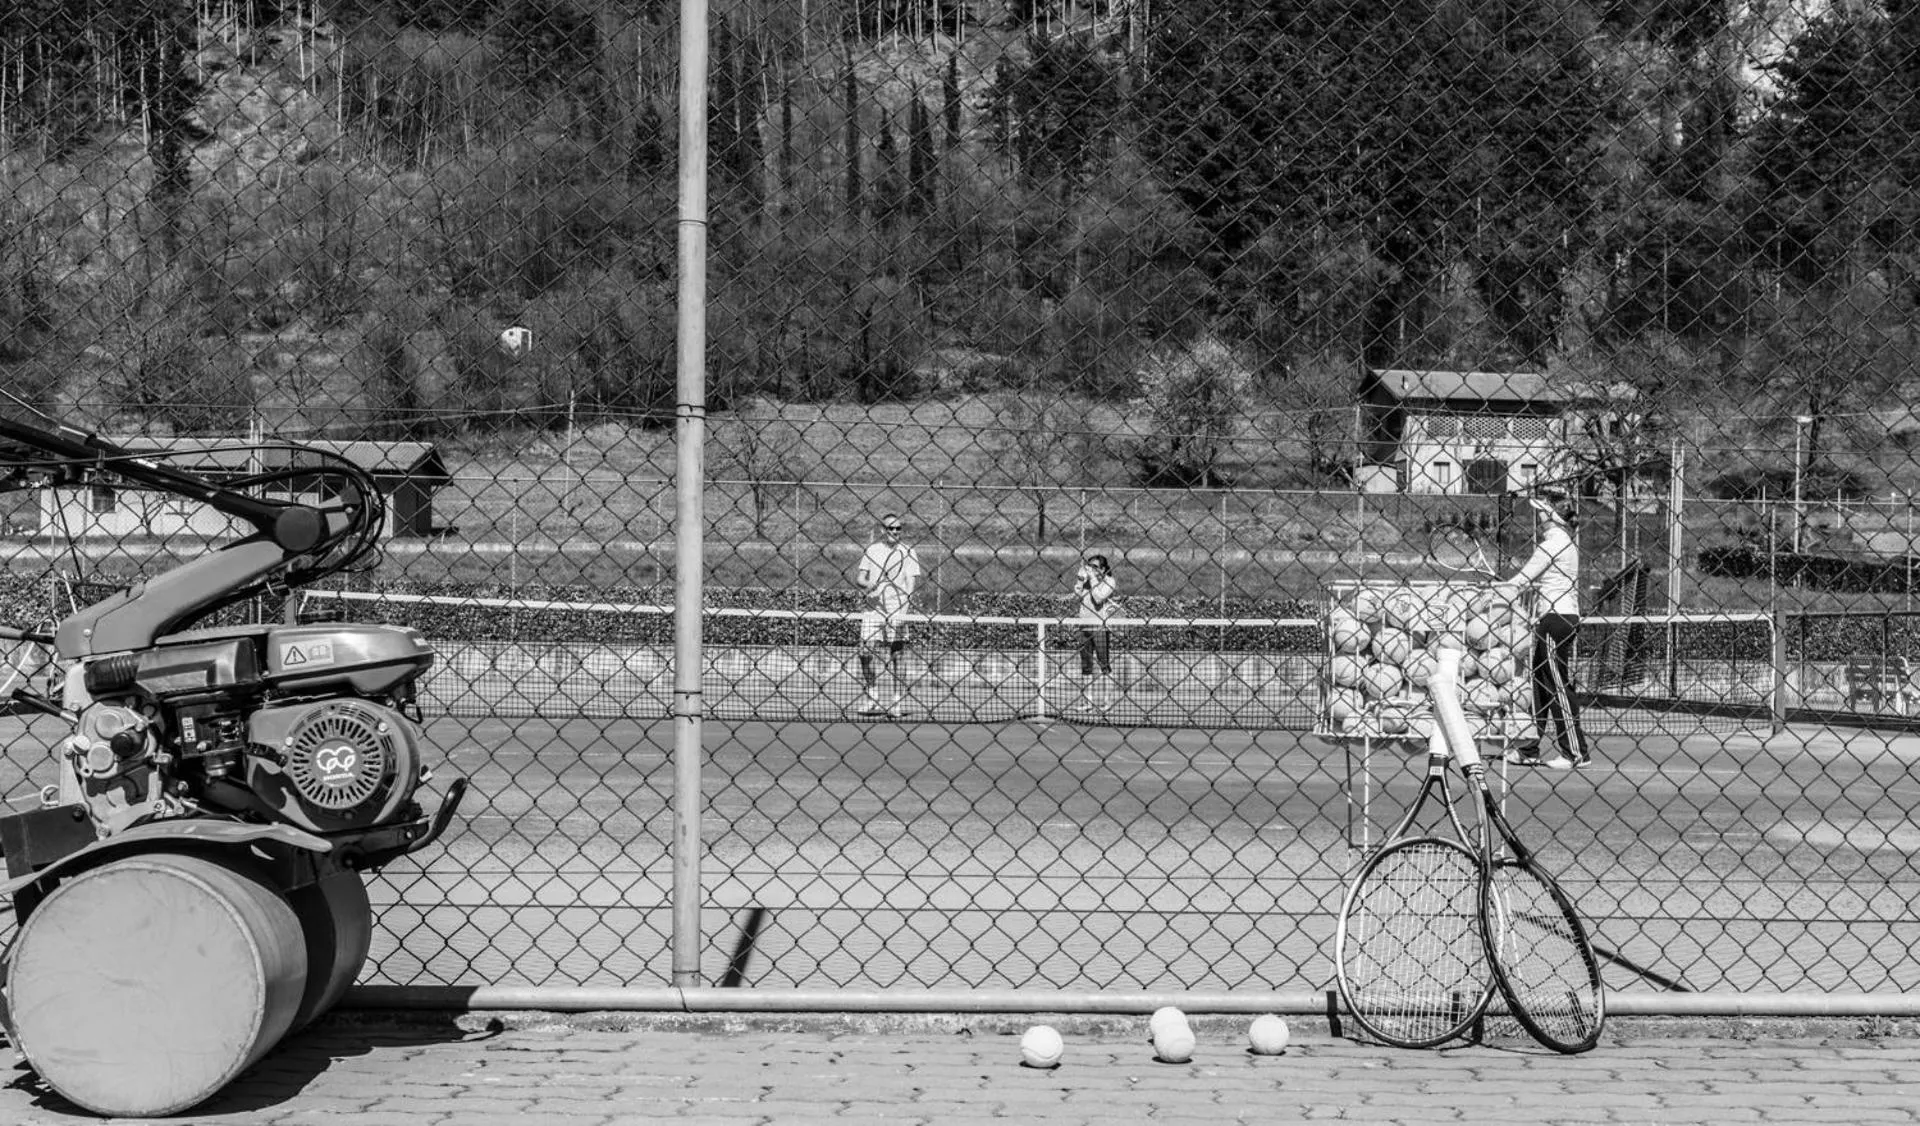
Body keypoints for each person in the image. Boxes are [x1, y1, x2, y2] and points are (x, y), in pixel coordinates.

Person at [1497, 490, 1591, 770]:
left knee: (1557, 685)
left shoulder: (1552, 545)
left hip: (1555, 620)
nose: (1538, 517)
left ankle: (1576, 753)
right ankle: (1529, 747)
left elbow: (1521, 581)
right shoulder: (1565, 543)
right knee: (1540, 685)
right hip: (1557, 619)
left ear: (1553, 516)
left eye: (1541, 512)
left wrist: (1499, 588)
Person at [854, 513, 922, 716]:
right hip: (873, 610)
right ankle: (872, 697)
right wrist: (868, 584)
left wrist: (904, 611)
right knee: (864, 653)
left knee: (897, 656)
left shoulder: (908, 551)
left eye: (898, 528)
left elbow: (911, 584)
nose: (894, 532)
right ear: (882, 530)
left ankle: (896, 703)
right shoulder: (872, 550)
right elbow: (860, 578)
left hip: (897, 610)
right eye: (890, 528)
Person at [1071, 554, 1118, 711]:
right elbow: (1078, 593)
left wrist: (1092, 578)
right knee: (1086, 666)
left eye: (1095, 566)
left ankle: (1107, 702)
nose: (1091, 568)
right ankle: (1087, 702)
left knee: (1104, 664)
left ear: (1103, 569)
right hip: (1084, 626)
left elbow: (1098, 597)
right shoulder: (1087, 581)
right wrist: (1080, 579)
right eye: (1089, 565)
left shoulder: (1109, 582)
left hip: (1100, 628)